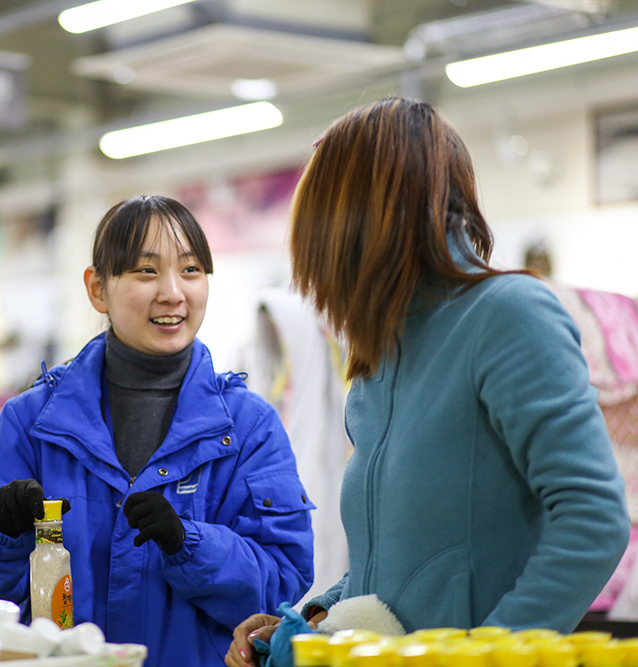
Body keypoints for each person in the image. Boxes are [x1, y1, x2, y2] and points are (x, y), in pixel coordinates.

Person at [227, 97, 629, 667]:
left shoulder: (507, 313)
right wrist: (314, 616)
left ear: (363, 217)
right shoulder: (378, 358)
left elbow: (593, 520)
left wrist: (488, 658)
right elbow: (389, 568)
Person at [0, 194, 315, 667]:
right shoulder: (32, 425)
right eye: (146, 271)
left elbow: (282, 582)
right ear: (98, 289)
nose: (173, 292)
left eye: (192, 270)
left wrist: (189, 543)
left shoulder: (247, 428)